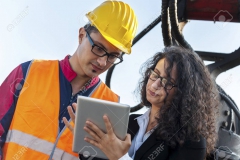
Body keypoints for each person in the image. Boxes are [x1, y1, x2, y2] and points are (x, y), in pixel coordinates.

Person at [0, 1, 138, 160]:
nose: (102, 62)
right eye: (98, 48)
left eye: (113, 56)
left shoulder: (111, 105)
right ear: (81, 35)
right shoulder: (29, 72)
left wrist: (112, 158)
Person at [70, 46, 219, 160]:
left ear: (185, 93)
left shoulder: (192, 142)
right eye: (155, 74)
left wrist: (119, 157)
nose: (154, 85)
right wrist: (88, 139)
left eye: (168, 82)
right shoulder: (128, 121)